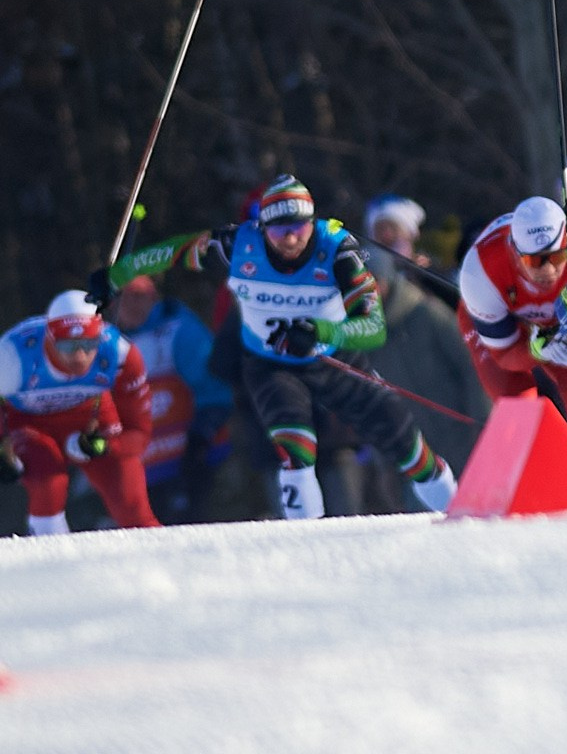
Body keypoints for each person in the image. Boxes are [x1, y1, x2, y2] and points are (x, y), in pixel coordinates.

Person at [108, 176, 457, 519]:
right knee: (294, 452)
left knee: (402, 438)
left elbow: (373, 328)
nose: (290, 238)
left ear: (312, 223)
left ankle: (458, 507)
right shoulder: (238, 245)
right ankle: (301, 540)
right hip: (270, 364)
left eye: (299, 228)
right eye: (277, 229)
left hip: (334, 360)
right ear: (262, 227)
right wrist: (115, 276)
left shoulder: (337, 249)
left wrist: (322, 331)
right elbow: (171, 252)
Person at [459, 196, 567, 478]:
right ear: (514, 252)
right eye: (535, 261)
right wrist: (537, 350)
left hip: (557, 325)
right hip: (507, 325)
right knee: (516, 401)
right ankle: (534, 487)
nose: (547, 270)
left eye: (557, 257)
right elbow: (504, 356)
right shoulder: (480, 272)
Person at [2, 291, 159, 534]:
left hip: (91, 419)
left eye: (88, 344)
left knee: (132, 505)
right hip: (30, 422)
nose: (79, 356)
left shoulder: (119, 353)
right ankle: (49, 561)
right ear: (49, 339)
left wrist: (105, 446)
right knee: (48, 483)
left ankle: (161, 565)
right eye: (68, 345)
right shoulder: (13, 356)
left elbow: (139, 433)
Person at [360, 195, 486, 470]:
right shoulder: (365, 333)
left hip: (463, 441)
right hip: (416, 457)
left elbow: (471, 364)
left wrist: (484, 424)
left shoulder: (426, 304)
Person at [103, 269, 228, 522]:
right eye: (123, 297)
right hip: (142, 463)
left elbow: (213, 389)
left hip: (187, 458)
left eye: (139, 296)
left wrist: (202, 435)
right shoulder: (107, 342)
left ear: (154, 297)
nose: (131, 305)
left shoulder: (176, 330)